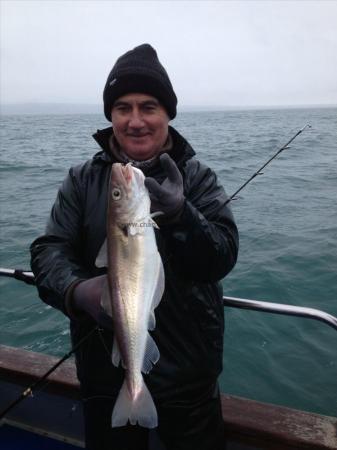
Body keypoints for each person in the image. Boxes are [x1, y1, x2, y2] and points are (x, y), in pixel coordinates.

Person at [30, 43, 239, 450]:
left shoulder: (198, 179)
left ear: (168, 115)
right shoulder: (82, 180)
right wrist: (78, 291)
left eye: (149, 107)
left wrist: (183, 216)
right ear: (110, 115)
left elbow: (222, 255)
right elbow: (47, 251)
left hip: (189, 381)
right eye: (123, 107)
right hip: (105, 377)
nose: (135, 120)